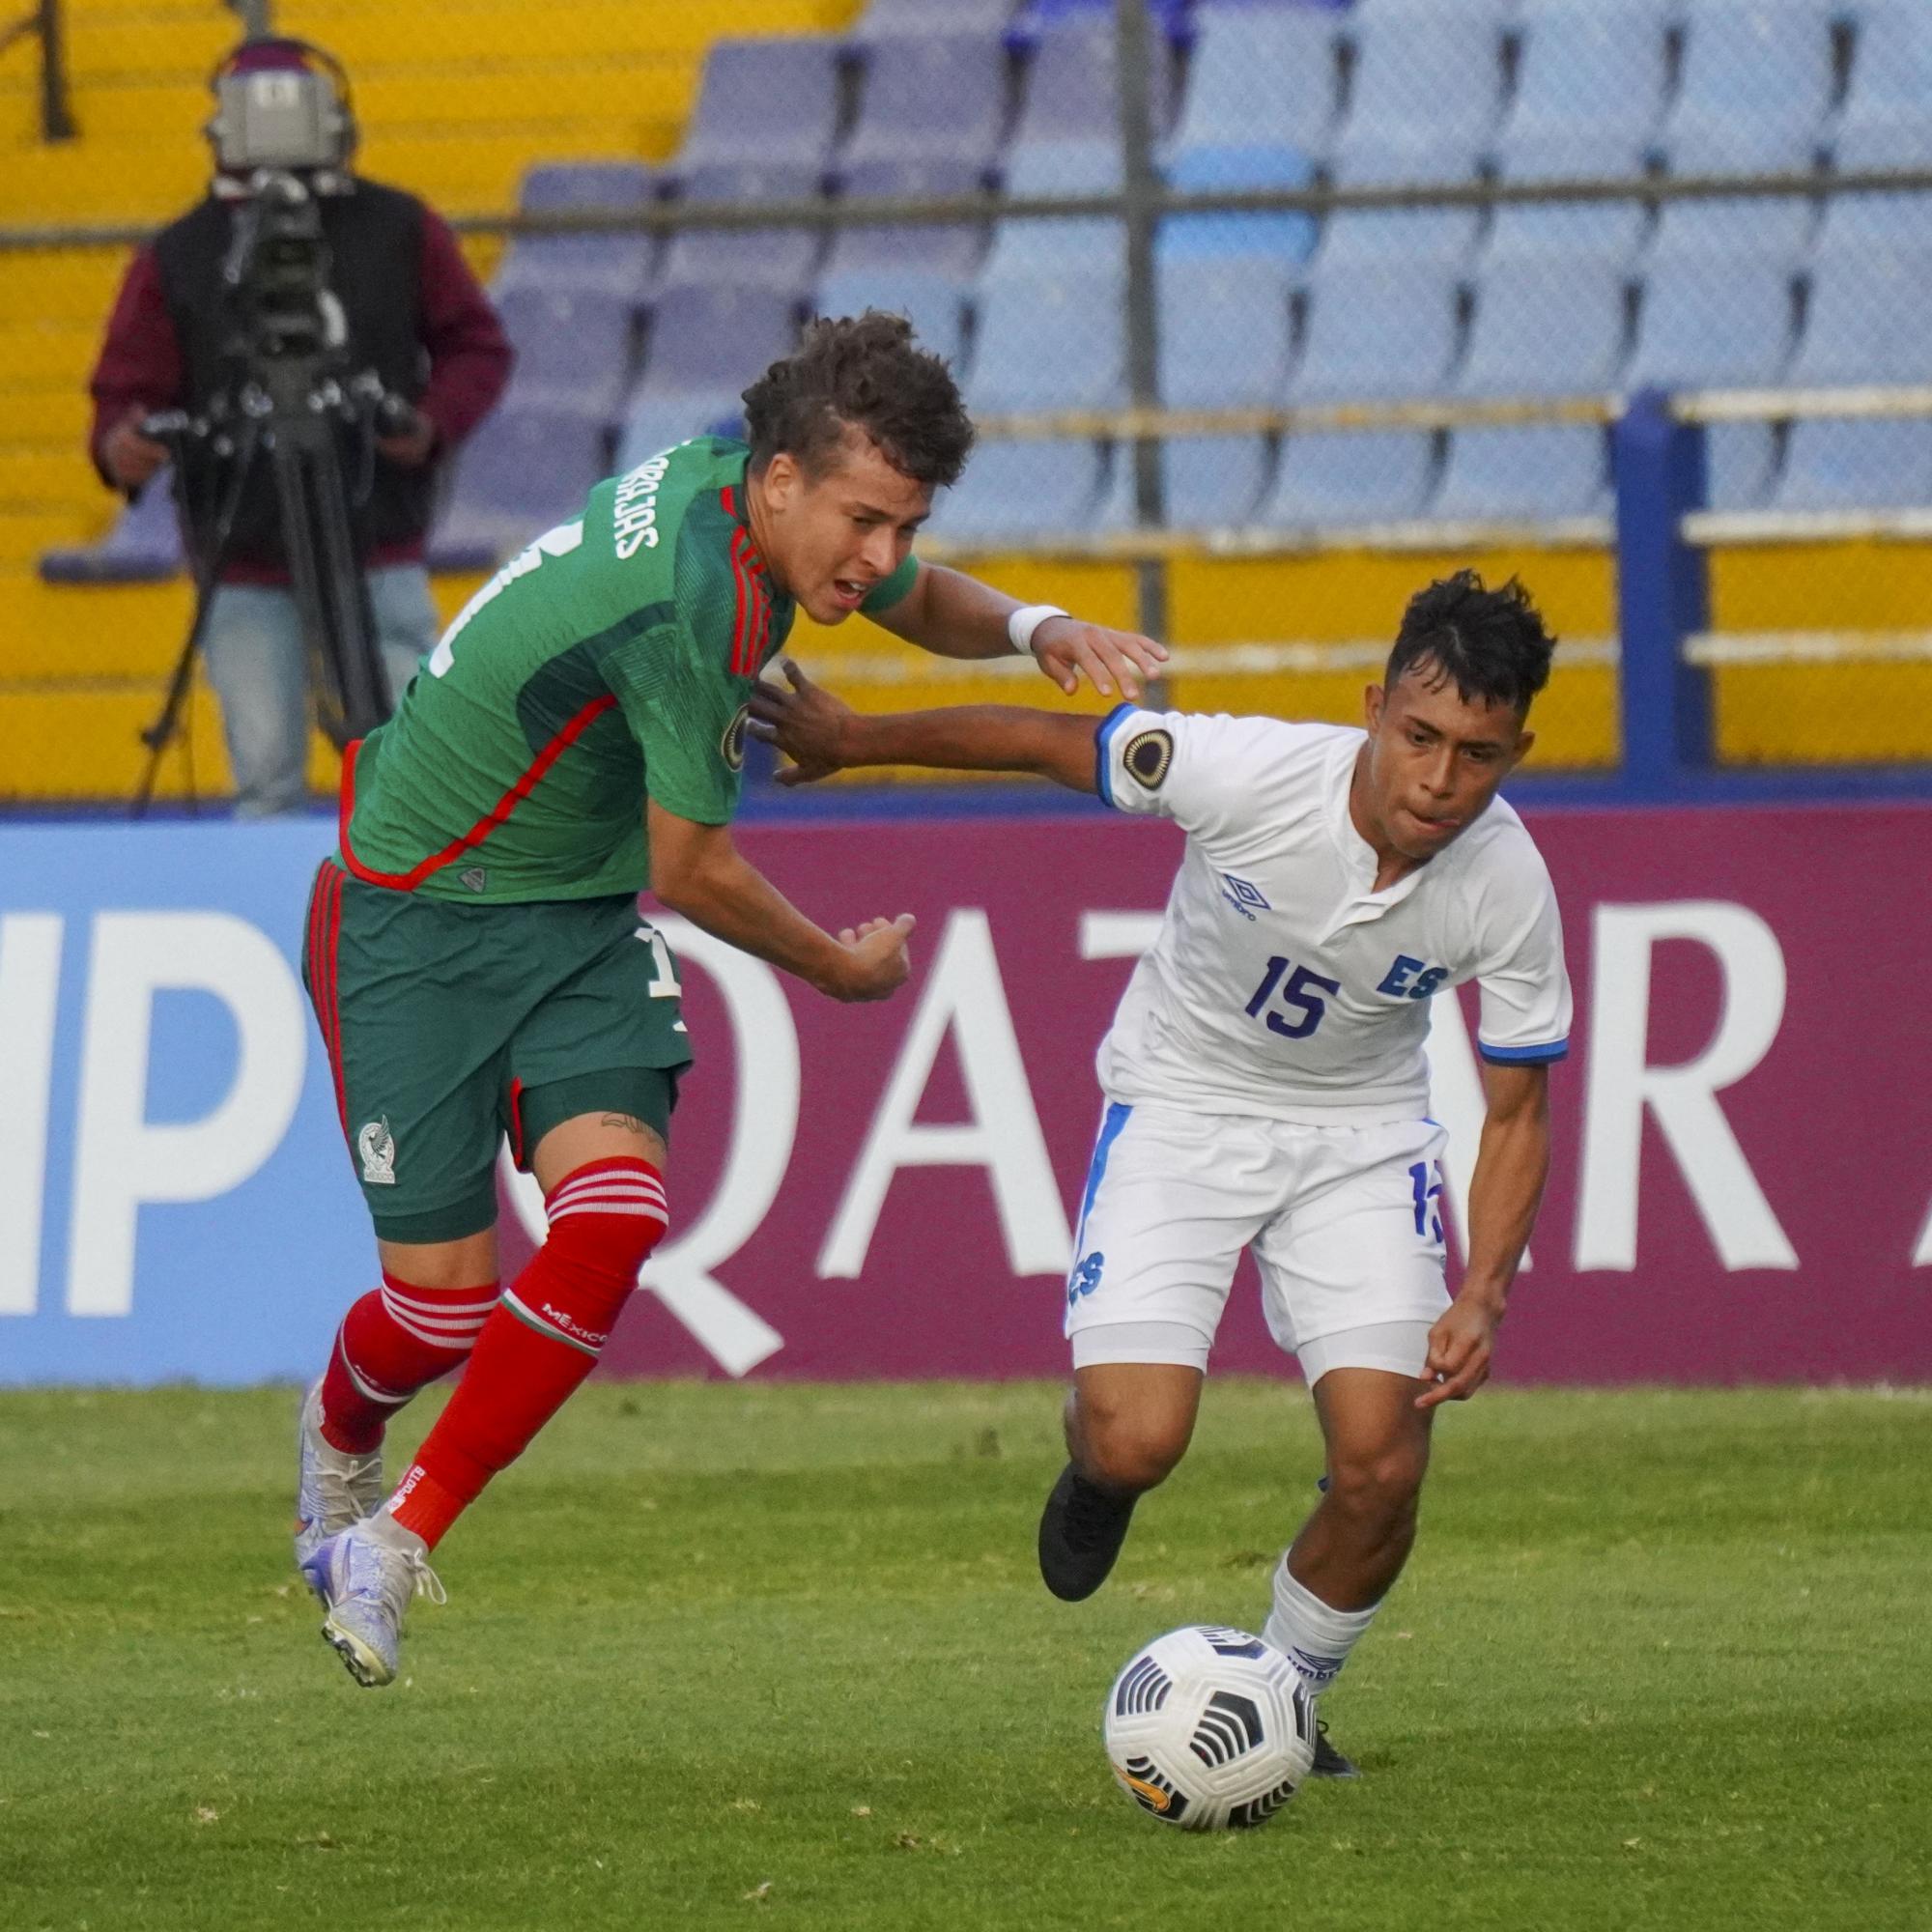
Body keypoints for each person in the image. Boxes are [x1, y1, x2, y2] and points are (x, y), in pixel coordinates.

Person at [293, 310, 1169, 1688]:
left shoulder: (748, 479)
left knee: (615, 1217)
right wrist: (840, 969)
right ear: (783, 484)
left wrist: (1036, 625)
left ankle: (399, 1539)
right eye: (866, 522)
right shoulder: (692, 602)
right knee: (441, 1310)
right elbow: (691, 869)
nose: (880, 558)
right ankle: (341, 1446)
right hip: (416, 918)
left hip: (571, 914)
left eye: (903, 522)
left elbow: (909, 592)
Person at [750, 570, 1570, 1777]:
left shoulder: (1506, 881)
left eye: (1478, 755)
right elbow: (1046, 743)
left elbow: (1515, 1107)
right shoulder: (1246, 773)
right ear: (1372, 708)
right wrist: (856, 738)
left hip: (1360, 1138)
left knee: (1382, 1463)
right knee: (1137, 1440)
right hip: (1181, 1106)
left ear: (1516, 751)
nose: (1440, 781)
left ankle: (1281, 1697)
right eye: (1419, 737)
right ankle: (1093, 1466)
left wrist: (1484, 1288)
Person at [87, 36, 513, 816]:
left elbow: (476, 346)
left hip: (375, 533)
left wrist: (430, 422)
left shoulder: (398, 227)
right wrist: (125, 442)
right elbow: (124, 392)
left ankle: (412, 905)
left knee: (416, 769)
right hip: (244, 550)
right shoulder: (182, 253)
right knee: (267, 777)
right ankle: (292, 923)